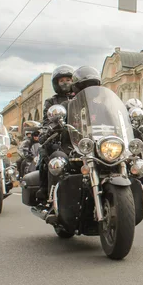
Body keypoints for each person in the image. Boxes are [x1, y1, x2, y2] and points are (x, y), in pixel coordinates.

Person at [37, 66, 101, 201]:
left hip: (88, 140)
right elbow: (46, 122)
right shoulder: (53, 101)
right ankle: (48, 191)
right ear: (56, 83)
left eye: (69, 80)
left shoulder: (89, 101)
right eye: (62, 80)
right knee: (49, 153)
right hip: (64, 139)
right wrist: (49, 128)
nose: (66, 83)